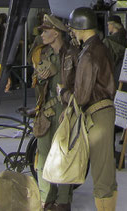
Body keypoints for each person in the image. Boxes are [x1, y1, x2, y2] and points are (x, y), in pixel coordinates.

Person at [63, 7, 117, 211]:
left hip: (96, 114)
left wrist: (63, 94)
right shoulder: (101, 47)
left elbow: (81, 96)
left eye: (74, 29)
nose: (73, 33)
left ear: (80, 28)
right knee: (107, 170)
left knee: (101, 172)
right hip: (104, 111)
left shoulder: (88, 54)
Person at [31, 14, 76, 211]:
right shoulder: (43, 54)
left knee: (64, 155)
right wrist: (40, 78)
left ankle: (63, 200)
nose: (42, 34)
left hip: (66, 107)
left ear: (56, 33)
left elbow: (80, 82)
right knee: (43, 154)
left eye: (45, 31)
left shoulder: (73, 53)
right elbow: (36, 83)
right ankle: (45, 198)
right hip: (47, 108)